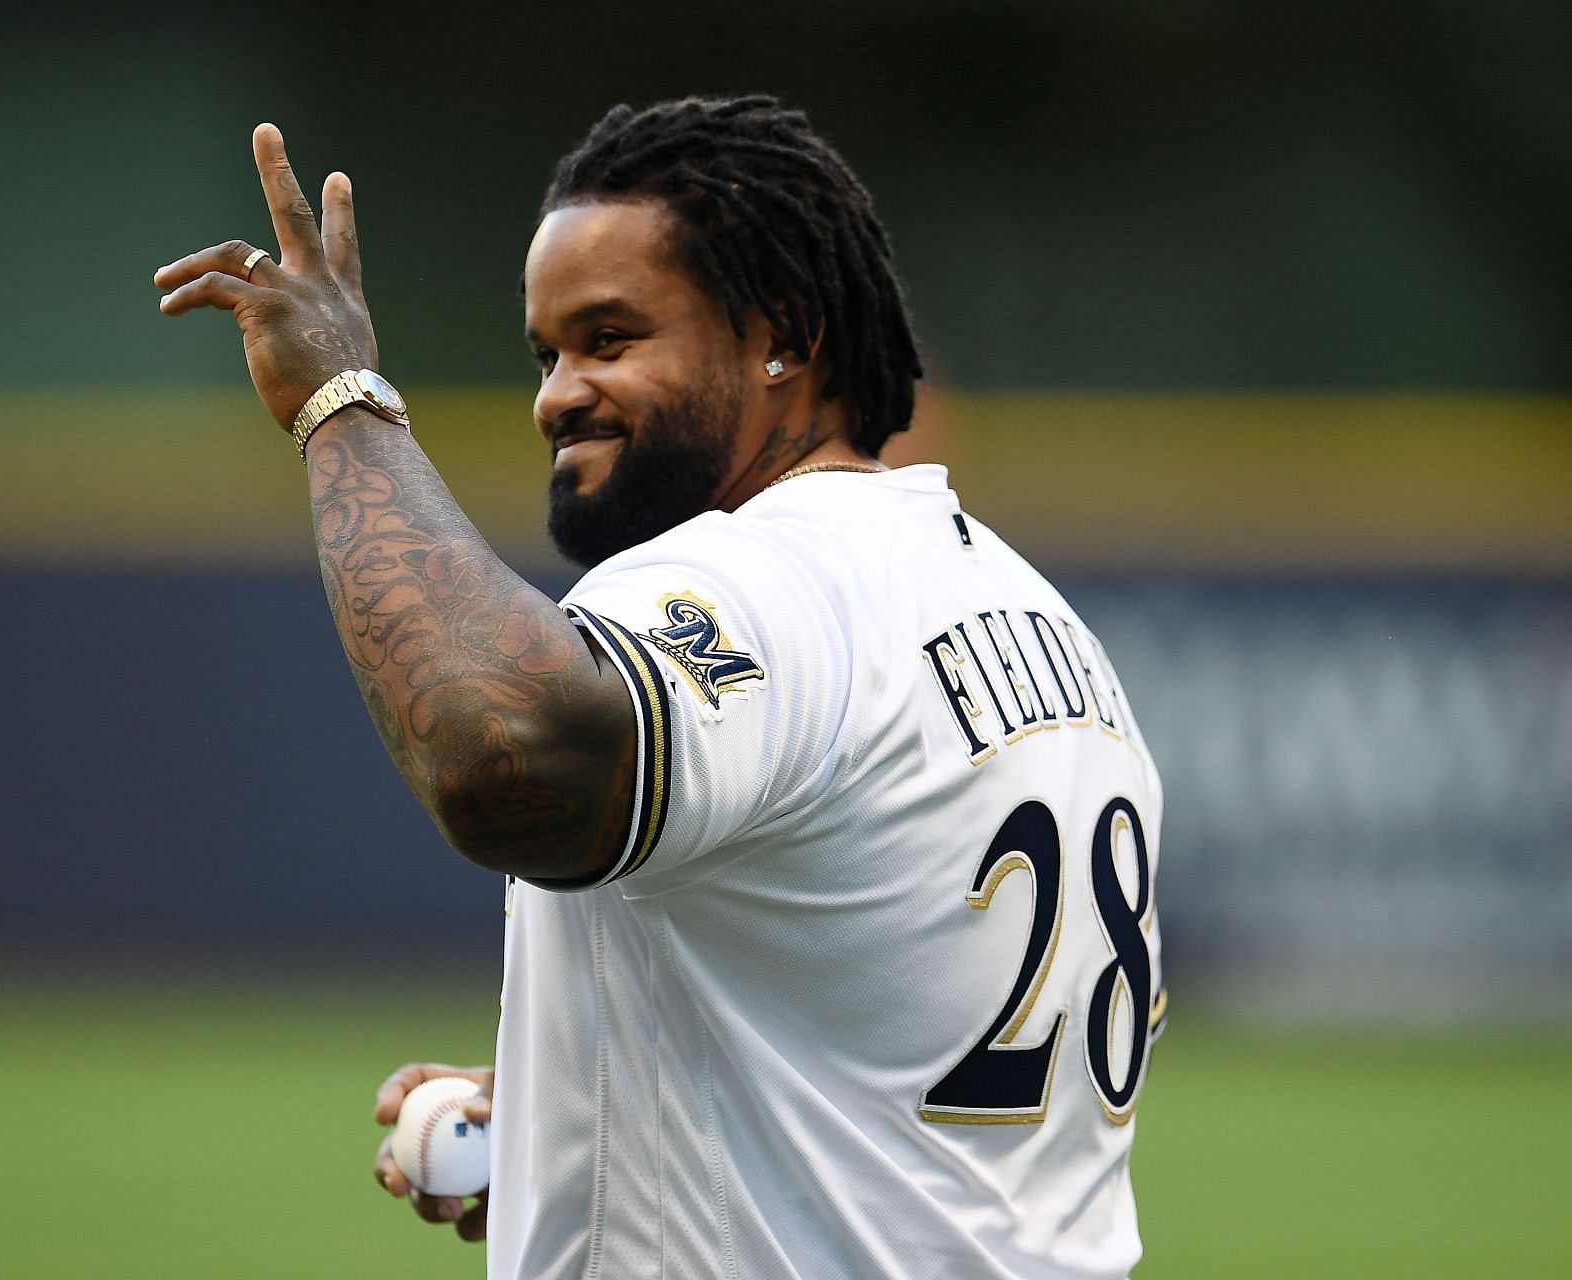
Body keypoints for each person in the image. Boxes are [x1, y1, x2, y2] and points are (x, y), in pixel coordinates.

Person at [155, 95, 1166, 1280]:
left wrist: (340, 403)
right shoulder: (1038, 619)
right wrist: (586, 1116)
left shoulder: (767, 572)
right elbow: (894, 1027)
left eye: (610, 338)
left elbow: (505, 758)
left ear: (780, 336)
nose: (557, 394)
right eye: (547, 352)